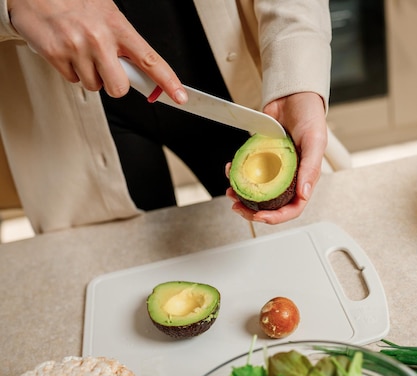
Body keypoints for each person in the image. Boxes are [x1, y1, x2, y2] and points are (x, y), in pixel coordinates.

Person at [0, 0, 331, 233]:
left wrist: (297, 73)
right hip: (70, 98)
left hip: (228, 78)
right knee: (121, 268)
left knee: (294, 240)